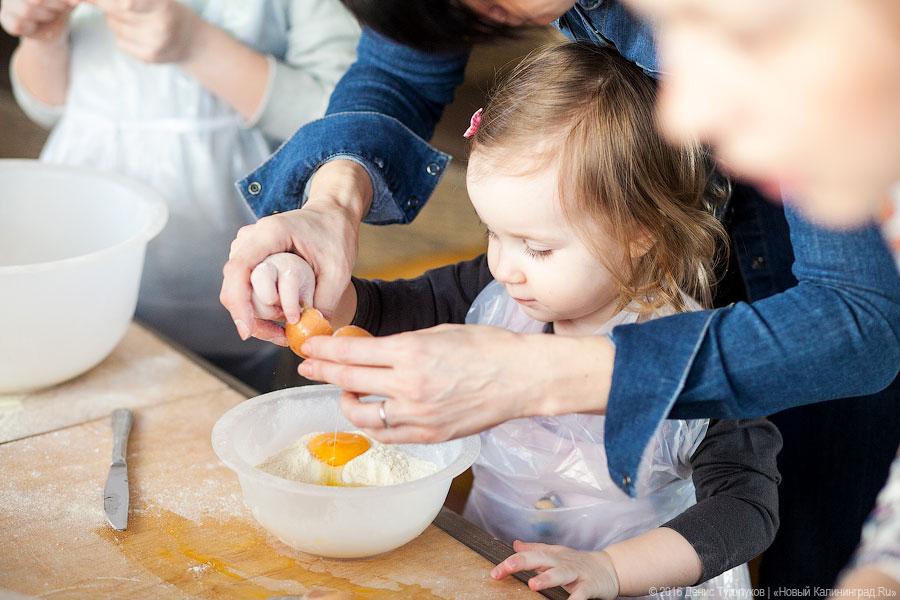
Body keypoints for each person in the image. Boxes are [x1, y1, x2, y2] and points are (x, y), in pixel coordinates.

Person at [220, 1, 900, 585]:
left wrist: (545, 382)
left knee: (822, 520)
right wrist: (329, 220)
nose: (688, 117)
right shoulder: (500, 290)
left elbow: (855, 329)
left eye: (537, 246)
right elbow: (400, 69)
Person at [1, 0, 359, 391]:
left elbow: (341, 116)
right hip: (83, 276)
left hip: (223, 277)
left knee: (222, 397)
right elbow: (49, 105)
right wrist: (44, 40)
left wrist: (196, 45)